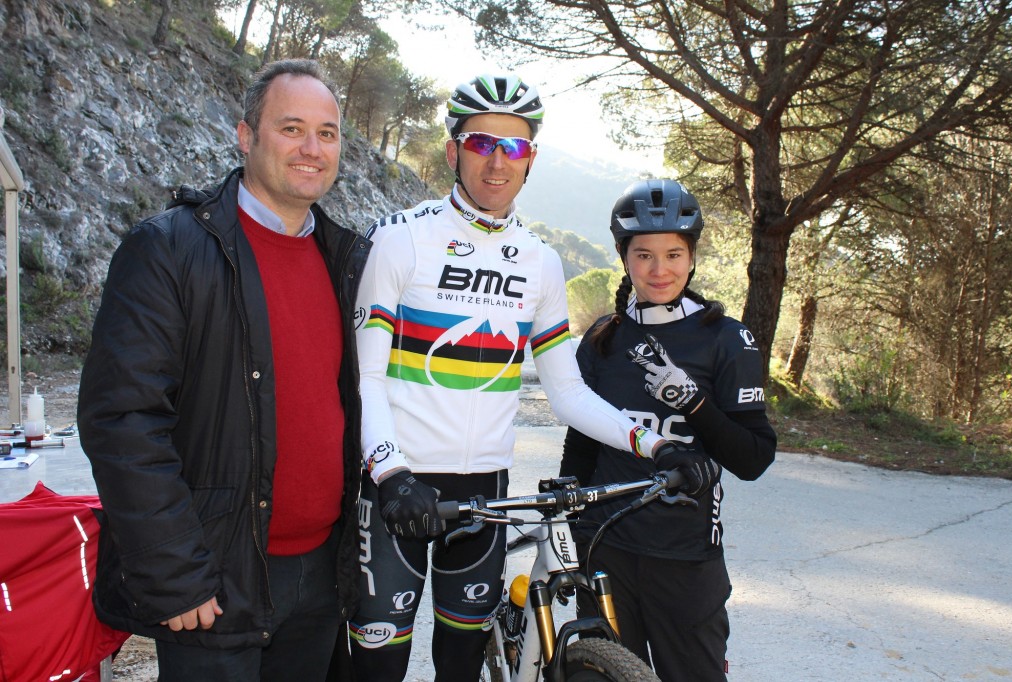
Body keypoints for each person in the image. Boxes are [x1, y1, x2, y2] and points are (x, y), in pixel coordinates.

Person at [348, 74, 706, 681]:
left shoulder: (541, 262)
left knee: (461, 667)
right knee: (377, 669)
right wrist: (391, 474)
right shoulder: (401, 239)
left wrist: (656, 445)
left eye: (513, 147)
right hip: (397, 487)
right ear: (452, 149)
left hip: (484, 491)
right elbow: (366, 379)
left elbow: (566, 392)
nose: (497, 162)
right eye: (481, 143)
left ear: (530, 158)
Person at [77, 59, 370, 681]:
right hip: (213, 580)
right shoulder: (169, 248)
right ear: (245, 135)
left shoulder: (345, 259)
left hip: (320, 577)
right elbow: (122, 420)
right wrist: (174, 572)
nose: (312, 149)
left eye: (327, 133)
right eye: (291, 128)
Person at [559, 179, 777, 681]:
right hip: (605, 549)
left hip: (685, 556)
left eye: (674, 254)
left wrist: (694, 403)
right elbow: (582, 444)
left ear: (692, 256)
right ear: (624, 258)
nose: (659, 270)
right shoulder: (602, 337)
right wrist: (572, 534)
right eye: (644, 255)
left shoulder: (726, 339)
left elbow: (753, 459)